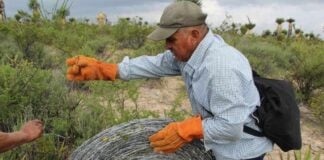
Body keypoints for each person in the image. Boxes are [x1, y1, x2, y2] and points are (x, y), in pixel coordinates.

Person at [65, 1, 273, 159]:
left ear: (193, 34)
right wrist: (108, 70)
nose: (166, 45)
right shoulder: (191, 53)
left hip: (241, 152)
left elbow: (231, 126)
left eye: (171, 39)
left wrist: (187, 130)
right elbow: (154, 64)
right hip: (220, 144)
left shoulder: (220, 66)